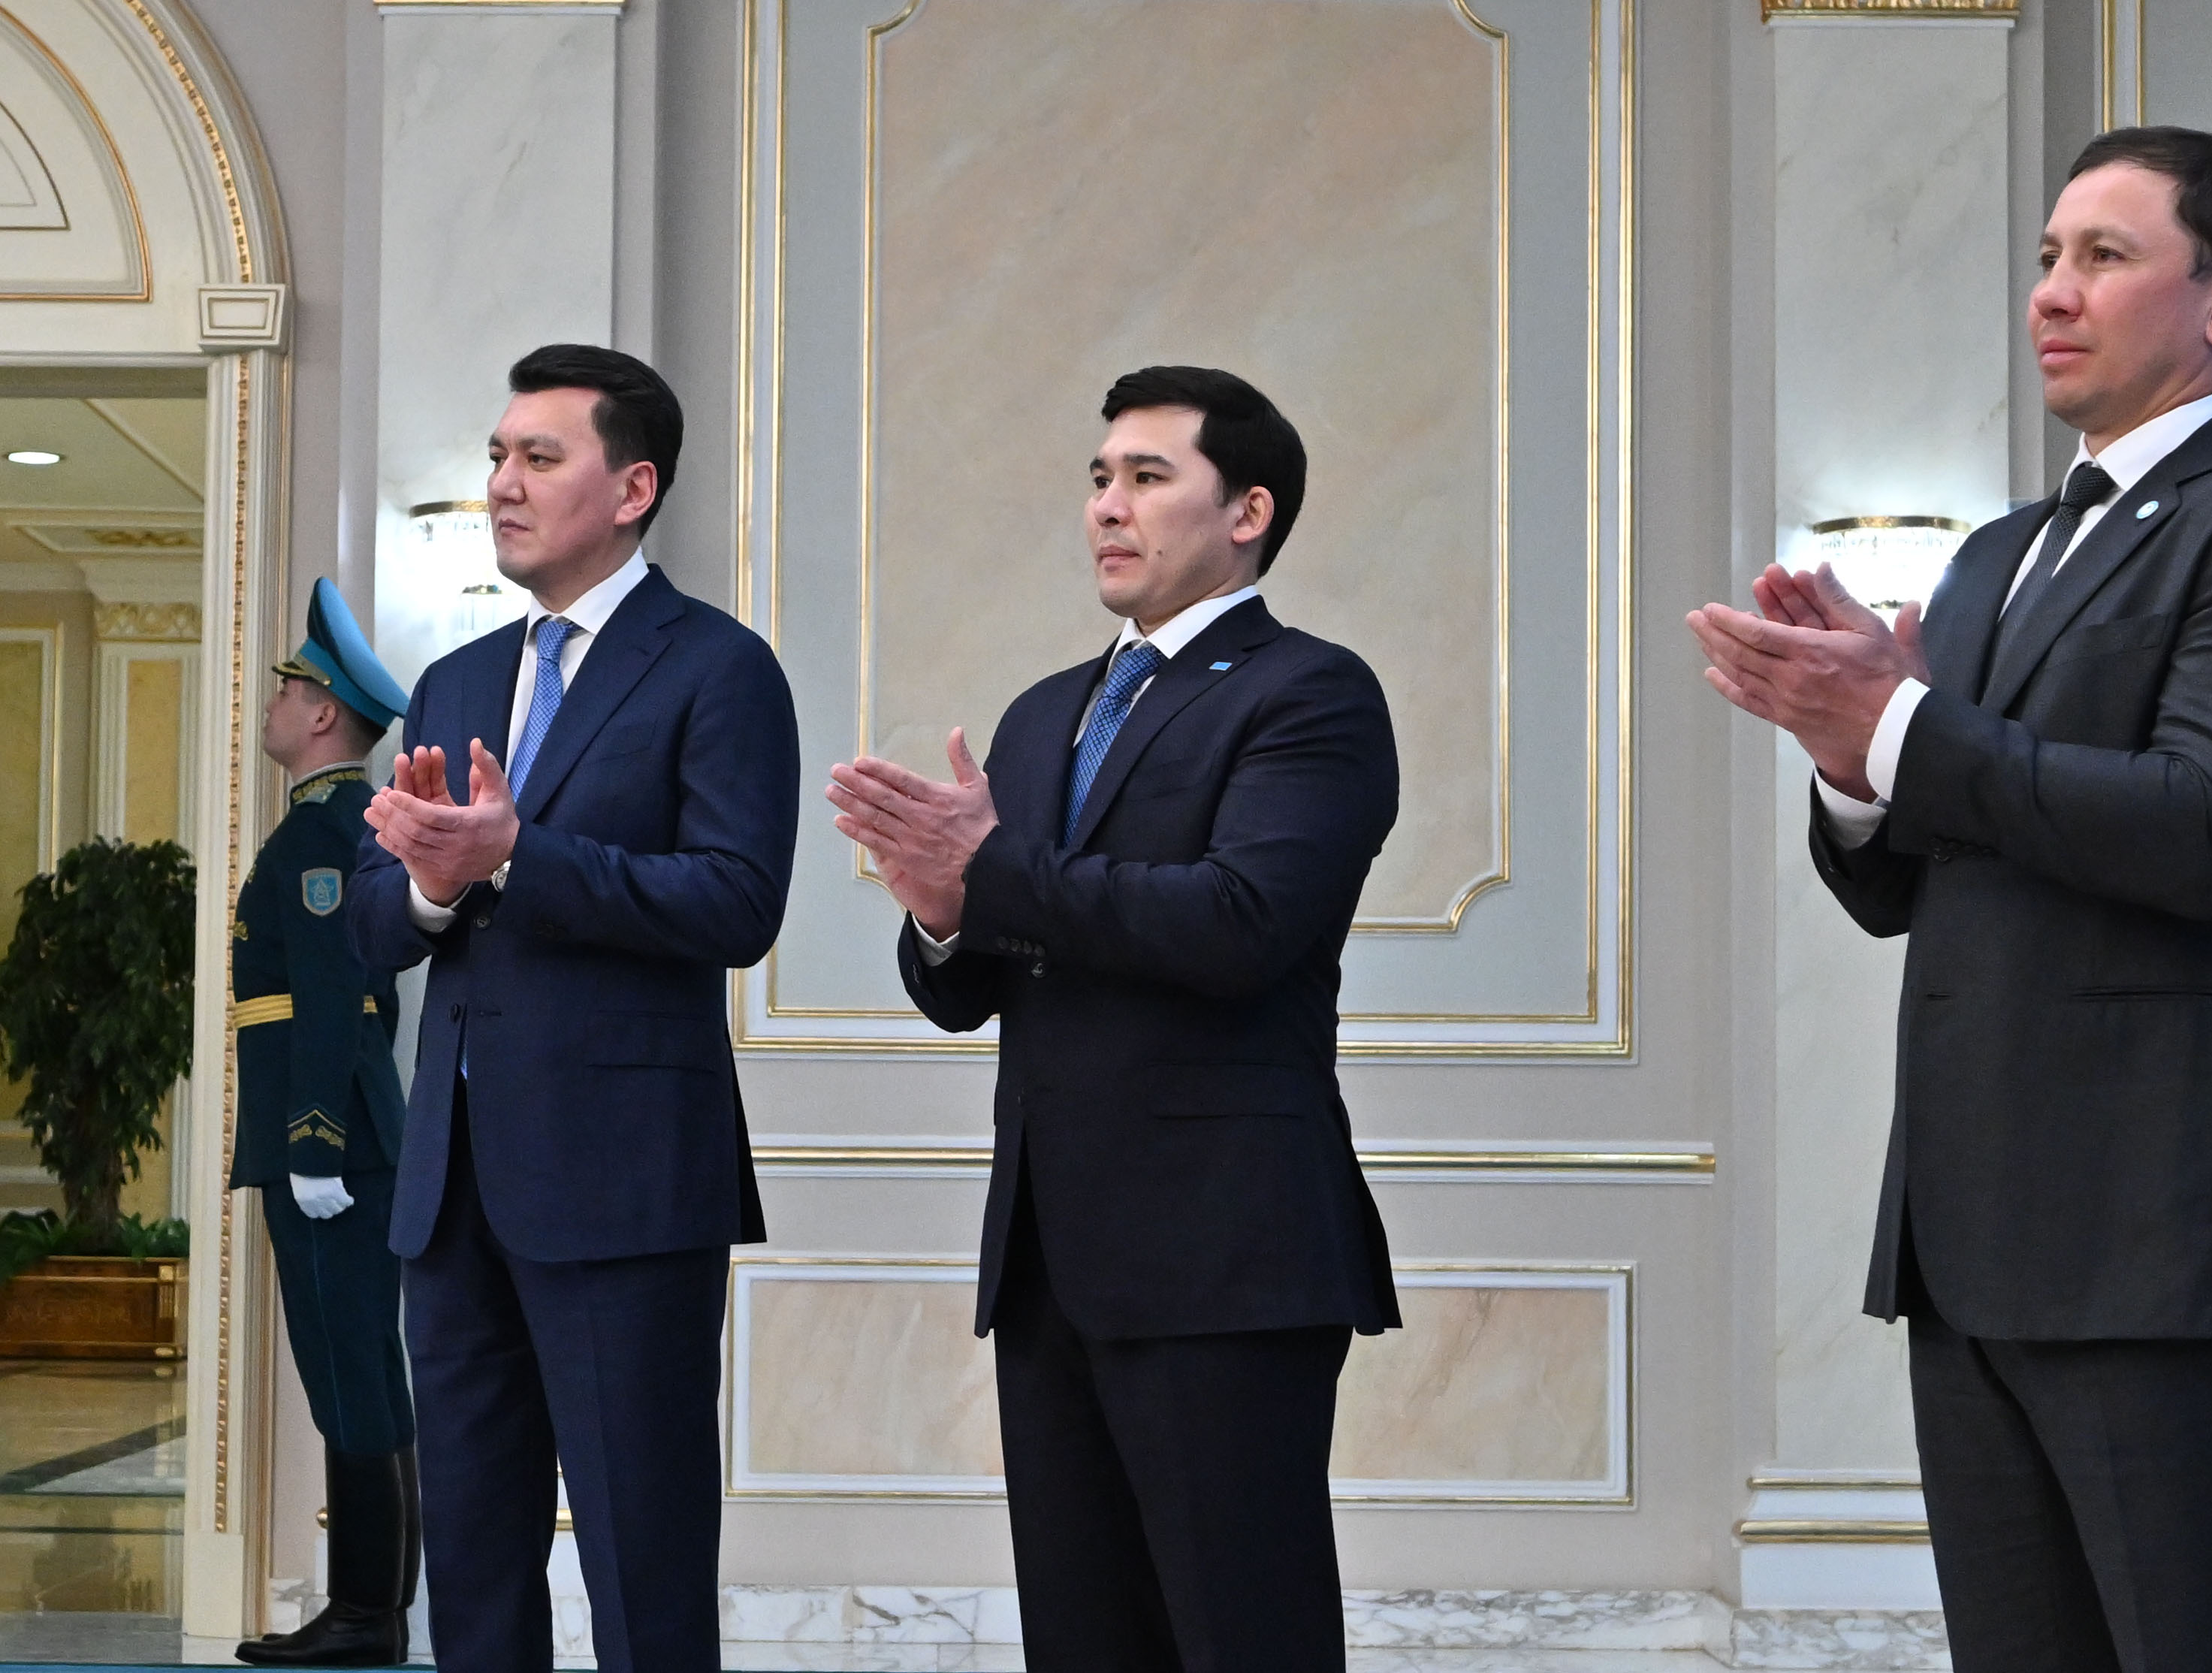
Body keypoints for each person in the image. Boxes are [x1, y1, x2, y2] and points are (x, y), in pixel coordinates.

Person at [1688, 127, 2212, 1670]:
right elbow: (1903, 888)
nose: (2052, 293)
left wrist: (1902, 724)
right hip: (1971, 1233)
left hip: (2165, 1229)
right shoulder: (1999, 553)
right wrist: (1853, 766)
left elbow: (2204, 828)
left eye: (2104, 256)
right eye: (2045, 258)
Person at [826, 365, 1400, 1673]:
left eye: (1147, 477)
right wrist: (941, 912)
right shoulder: (1044, 715)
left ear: (1248, 511)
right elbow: (966, 989)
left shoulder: (1309, 693)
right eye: (1098, 478)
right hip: (1050, 1262)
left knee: (1244, 1638)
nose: (1106, 506)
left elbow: (1243, 923)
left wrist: (996, 872)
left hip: (1226, 1255)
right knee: (1084, 1642)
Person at [346, 344, 799, 1672]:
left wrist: (516, 857)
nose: (501, 483)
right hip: (452, 1192)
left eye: (539, 458)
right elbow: (375, 923)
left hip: (626, 1188)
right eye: (498, 456)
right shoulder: (454, 681)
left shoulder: (718, 668)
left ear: (633, 488)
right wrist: (432, 890)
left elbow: (737, 902)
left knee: (641, 1563)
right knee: (472, 1565)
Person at [229, 578, 419, 1668]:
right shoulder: (348, 824)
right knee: (365, 1367)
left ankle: (361, 1616)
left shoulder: (319, 834)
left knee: (349, 1372)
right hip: (356, 1138)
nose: (272, 705)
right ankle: (377, 1613)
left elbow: (333, 995)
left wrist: (311, 1143)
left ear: (322, 715)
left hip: (331, 1147)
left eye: (286, 690)